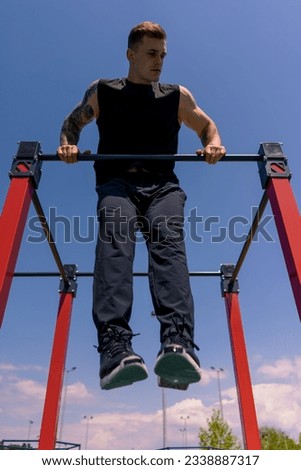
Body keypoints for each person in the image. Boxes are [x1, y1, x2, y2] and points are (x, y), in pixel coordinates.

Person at [57, 21, 226, 391]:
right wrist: (68, 144)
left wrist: (214, 142)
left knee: (168, 242)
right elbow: (72, 123)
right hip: (116, 183)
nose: (159, 62)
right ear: (131, 55)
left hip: (163, 186)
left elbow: (207, 126)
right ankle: (115, 348)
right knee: (116, 242)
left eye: (163, 55)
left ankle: (177, 341)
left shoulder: (176, 95)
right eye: (151, 54)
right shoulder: (102, 91)